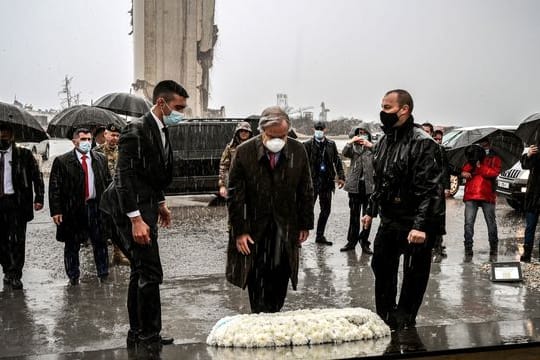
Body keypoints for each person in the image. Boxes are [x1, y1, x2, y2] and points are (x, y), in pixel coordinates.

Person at [100, 80, 188, 354]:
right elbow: (123, 177)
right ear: (161, 103)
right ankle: (149, 335)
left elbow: (150, 173)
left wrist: (160, 203)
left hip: (146, 206)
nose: (181, 113)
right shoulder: (136, 130)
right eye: (178, 107)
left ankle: (139, 331)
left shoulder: (160, 130)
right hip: (128, 210)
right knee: (150, 271)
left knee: (140, 270)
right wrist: (136, 219)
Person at [362, 89, 444, 330]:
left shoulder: (423, 143)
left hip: (413, 221)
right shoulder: (384, 141)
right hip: (390, 219)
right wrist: (370, 210)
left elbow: (431, 189)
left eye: (387, 107)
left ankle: (405, 321)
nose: (382, 112)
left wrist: (421, 226)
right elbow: (381, 180)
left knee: (413, 276)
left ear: (404, 109)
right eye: (382, 107)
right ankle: (386, 316)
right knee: (381, 265)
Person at [226, 106, 314, 313]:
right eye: (272, 136)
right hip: (255, 228)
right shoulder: (244, 152)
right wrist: (240, 231)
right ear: (261, 132)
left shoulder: (297, 151)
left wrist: (305, 223)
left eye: (282, 135)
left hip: (285, 226)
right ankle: (260, 319)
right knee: (257, 278)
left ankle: (274, 315)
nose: (277, 140)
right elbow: (235, 196)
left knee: (281, 276)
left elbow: (306, 189)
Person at [49, 128, 111, 285]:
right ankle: (73, 276)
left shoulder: (100, 159)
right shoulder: (62, 161)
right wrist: (56, 210)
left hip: (96, 207)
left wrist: (110, 206)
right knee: (72, 243)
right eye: (83, 140)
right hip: (74, 209)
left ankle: (103, 273)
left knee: (100, 241)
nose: (87, 143)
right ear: (74, 141)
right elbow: (55, 187)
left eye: (89, 139)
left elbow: (108, 182)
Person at [0, 124, 44, 290]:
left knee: (18, 240)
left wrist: (39, 197)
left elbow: (37, 177)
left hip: (17, 203)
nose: (2, 135)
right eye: (0, 133)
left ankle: (16, 273)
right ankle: (7, 269)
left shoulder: (23, 155)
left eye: (6, 133)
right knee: (2, 241)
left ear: (12, 135)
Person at [303, 120, 345, 245]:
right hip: (312, 182)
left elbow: (337, 161)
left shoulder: (331, 144)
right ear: (313, 129)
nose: (319, 131)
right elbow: (302, 164)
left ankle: (320, 235)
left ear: (325, 130)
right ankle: (299, 236)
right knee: (306, 209)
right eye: (317, 128)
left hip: (326, 182)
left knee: (326, 210)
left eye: (321, 128)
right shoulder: (307, 145)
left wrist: (341, 176)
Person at [94, 123, 129, 266]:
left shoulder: (123, 151)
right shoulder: (96, 152)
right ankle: (102, 259)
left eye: (117, 135)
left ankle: (118, 254)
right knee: (104, 225)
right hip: (103, 194)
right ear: (105, 135)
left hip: (119, 193)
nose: (114, 138)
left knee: (119, 224)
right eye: (112, 135)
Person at [461, 140, 501, 257]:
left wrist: (479, 167)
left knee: (490, 223)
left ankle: (493, 247)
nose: (484, 144)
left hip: (487, 194)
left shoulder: (495, 158)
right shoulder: (472, 154)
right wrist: (463, 173)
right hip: (471, 194)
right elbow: (464, 169)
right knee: (468, 223)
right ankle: (468, 247)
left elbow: (494, 173)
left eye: (486, 141)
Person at [340, 124, 375, 254]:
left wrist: (369, 145)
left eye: (364, 132)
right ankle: (351, 241)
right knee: (354, 216)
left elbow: (381, 156)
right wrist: (351, 141)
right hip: (354, 186)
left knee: (367, 216)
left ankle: (364, 241)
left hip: (368, 186)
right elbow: (344, 153)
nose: (362, 134)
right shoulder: (354, 147)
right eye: (360, 132)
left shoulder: (372, 147)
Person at [218, 121, 253, 198]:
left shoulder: (254, 147)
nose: (243, 133)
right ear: (237, 132)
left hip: (251, 183)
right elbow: (224, 166)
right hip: (235, 183)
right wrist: (222, 185)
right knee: (235, 206)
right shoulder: (230, 148)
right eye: (241, 131)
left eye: (246, 131)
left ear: (250, 133)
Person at [520, 144, 539, 262]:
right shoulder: (535, 151)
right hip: (533, 195)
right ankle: (527, 253)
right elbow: (525, 165)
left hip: (534, 194)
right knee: (530, 226)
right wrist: (528, 154)